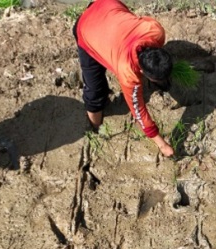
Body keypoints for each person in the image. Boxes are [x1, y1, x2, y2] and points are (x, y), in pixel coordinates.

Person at [74, 0, 174, 157]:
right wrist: (162, 145)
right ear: (141, 71)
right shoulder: (127, 73)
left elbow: (140, 19)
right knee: (95, 92)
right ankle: (95, 127)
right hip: (86, 28)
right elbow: (139, 110)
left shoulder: (156, 31)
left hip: (108, 5)